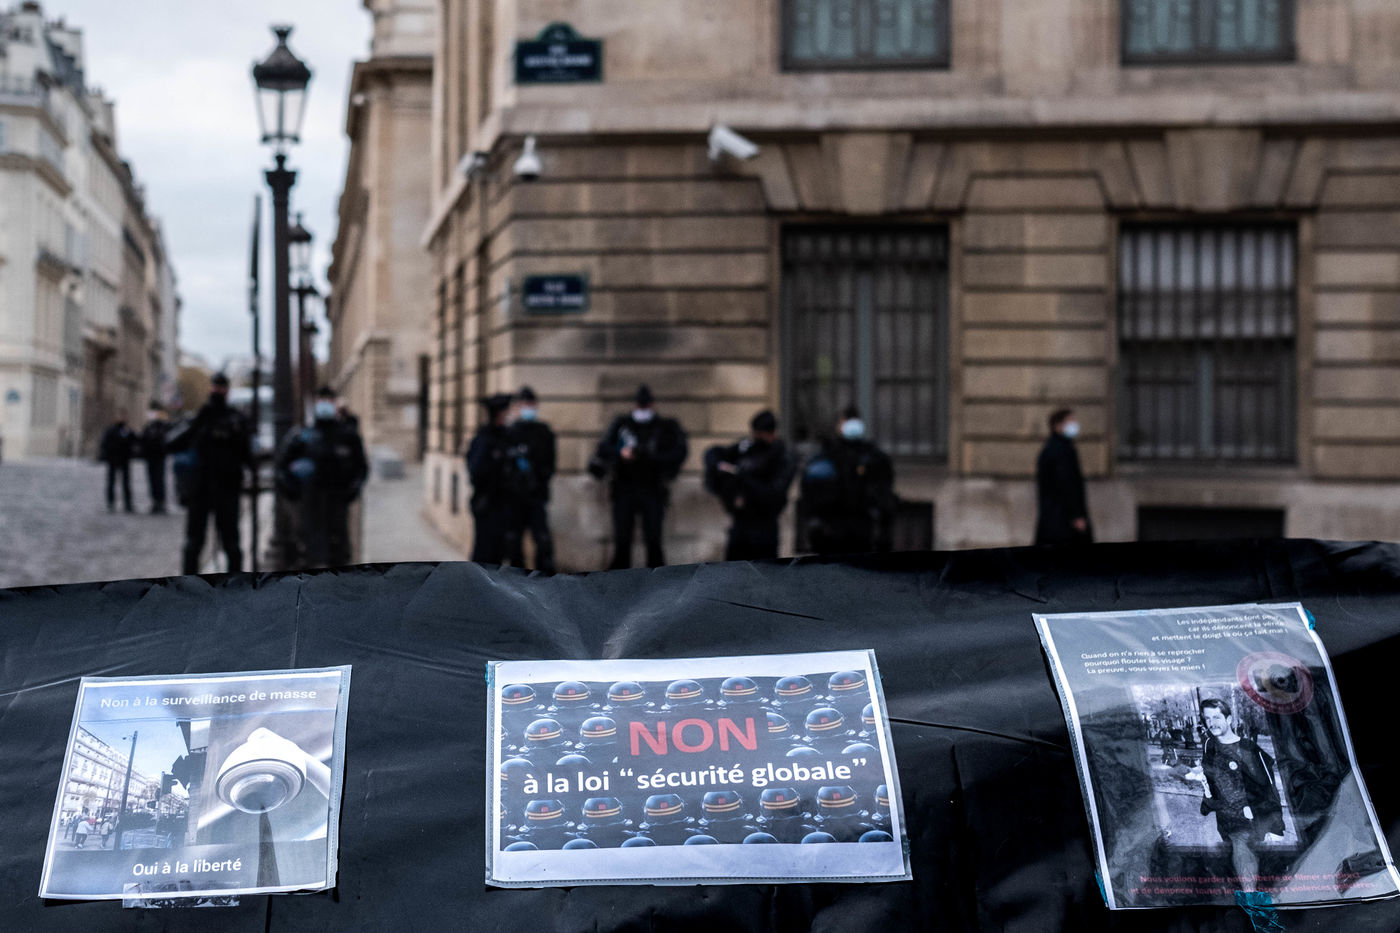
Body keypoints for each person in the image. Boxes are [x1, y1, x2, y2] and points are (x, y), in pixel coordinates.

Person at [588, 384, 689, 569]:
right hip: (624, 487)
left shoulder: (664, 427)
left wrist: (651, 456)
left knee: (653, 539)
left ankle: (656, 577)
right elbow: (603, 448)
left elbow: (678, 453)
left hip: (652, 487)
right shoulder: (622, 425)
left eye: (645, 406)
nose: (643, 410)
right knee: (622, 539)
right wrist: (621, 453)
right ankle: (620, 578)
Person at [1194, 698, 1285, 890]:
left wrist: (1276, 828)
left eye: (1217, 717)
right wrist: (1208, 798)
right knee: (1240, 871)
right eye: (1207, 718)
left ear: (1229, 719)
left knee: (1247, 871)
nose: (1211, 723)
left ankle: (1253, 900)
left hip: (1247, 820)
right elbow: (1211, 778)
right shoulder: (1209, 745)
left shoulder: (1248, 749)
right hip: (1224, 821)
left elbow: (1269, 788)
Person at [168, 373, 254, 574]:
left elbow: (247, 454)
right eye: (215, 387)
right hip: (202, 488)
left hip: (226, 487)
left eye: (220, 387)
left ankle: (235, 584)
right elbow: (173, 443)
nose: (217, 391)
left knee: (231, 543)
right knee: (194, 542)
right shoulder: (202, 417)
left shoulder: (235, 420)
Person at [275, 387, 369, 568]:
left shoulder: (347, 436)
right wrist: (293, 490)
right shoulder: (302, 436)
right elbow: (282, 468)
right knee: (309, 555)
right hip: (309, 504)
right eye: (321, 400)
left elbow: (361, 468)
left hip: (338, 503)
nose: (324, 404)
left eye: (328, 400)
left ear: (334, 404)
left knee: (339, 555)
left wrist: (352, 490)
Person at [798, 407, 895, 556]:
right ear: (838, 425)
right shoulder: (827, 454)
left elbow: (884, 492)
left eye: (853, 419)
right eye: (846, 420)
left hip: (862, 528)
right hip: (831, 529)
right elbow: (810, 489)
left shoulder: (872, 455)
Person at [703, 410, 797, 561]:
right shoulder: (746, 448)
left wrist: (742, 477)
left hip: (764, 525)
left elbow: (773, 493)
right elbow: (715, 453)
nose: (756, 438)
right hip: (741, 523)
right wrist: (720, 466)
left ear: (772, 433)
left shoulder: (783, 457)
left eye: (760, 435)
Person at [506, 386, 557, 573]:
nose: (528, 407)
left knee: (543, 541)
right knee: (513, 541)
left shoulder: (544, 432)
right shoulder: (511, 432)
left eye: (531, 404)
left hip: (536, 495)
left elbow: (550, 464)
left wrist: (537, 477)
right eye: (524, 404)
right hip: (515, 497)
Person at [466, 394, 518, 564]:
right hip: (488, 505)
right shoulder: (484, 439)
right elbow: (476, 471)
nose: (510, 415)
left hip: (505, 505)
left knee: (500, 553)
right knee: (484, 552)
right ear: (500, 414)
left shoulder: (507, 437)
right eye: (507, 412)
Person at [1034, 408, 1092, 545]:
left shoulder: (1055, 448)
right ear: (1058, 425)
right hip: (1062, 521)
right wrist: (1076, 515)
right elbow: (1066, 484)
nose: (1074, 424)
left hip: (1055, 519)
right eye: (1069, 421)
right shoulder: (1061, 450)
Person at [98, 412, 135, 513]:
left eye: (123, 416)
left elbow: (134, 442)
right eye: (120, 416)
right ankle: (111, 502)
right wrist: (106, 455)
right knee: (111, 482)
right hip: (113, 459)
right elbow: (105, 443)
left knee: (126, 483)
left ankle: (128, 503)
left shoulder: (128, 430)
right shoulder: (111, 430)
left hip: (124, 459)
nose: (121, 418)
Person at [139, 403, 171, 514]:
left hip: (159, 456)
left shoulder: (162, 426)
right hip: (150, 457)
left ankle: (160, 501)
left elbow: (166, 439)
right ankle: (155, 501)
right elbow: (143, 439)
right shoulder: (149, 426)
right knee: (152, 480)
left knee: (159, 480)